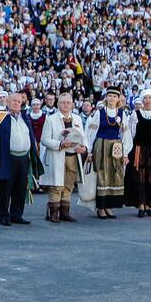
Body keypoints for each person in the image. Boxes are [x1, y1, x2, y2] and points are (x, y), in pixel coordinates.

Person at [0, 92, 35, 226]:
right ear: (7, 102)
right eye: (13, 101)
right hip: (7, 158)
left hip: (24, 158)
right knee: (6, 188)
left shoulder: (25, 118)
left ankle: (17, 214)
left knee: (20, 188)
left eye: (19, 101)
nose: (16, 103)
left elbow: (30, 136)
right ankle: (3, 215)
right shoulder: (1, 117)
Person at [38, 92, 85, 223]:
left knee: (68, 185)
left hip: (73, 156)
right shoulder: (50, 119)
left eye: (68, 102)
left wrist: (84, 147)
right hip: (57, 155)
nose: (65, 105)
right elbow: (44, 140)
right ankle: (53, 212)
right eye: (63, 102)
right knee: (56, 185)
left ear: (72, 105)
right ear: (58, 104)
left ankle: (65, 212)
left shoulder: (78, 119)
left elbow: (83, 137)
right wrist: (60, 144)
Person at [122, 89, 151, 217]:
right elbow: (132, 133)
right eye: (145, 98)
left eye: (149, 98)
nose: (147, 100)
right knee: (139, 176)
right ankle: (140, 204)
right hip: (139, 148)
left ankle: (148, 204)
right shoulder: (135, 115)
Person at [84, 88, 126, 220]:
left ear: (118, 99)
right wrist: (89, 151)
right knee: (102, 174)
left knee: (114, 174)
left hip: (116, 147)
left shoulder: (122, 113)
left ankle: (109, 206)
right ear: (106, 98)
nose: (112, 98)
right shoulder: (99, 113)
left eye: (115, 96)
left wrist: (126, 153)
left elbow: (126, 134)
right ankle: (100, 207)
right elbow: (90, 133)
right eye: (110, 96)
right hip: (101, 146)